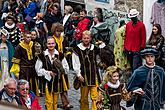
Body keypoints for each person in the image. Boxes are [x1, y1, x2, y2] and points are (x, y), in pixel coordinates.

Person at [35, 37, 71, 110]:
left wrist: (60, 69)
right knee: (49, 101)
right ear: (46, 44)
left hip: (57, 81)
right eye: (49, 43)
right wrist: (48, 72)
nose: (51, 45)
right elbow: (37, 70)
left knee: (55, 102)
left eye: (52, 43)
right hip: (47, 82)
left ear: (55, 44)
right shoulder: (42, 55)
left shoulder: (60, 55)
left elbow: (67, 69)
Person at [72, 30, 101, 110]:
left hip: (94, 75)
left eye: (88, 38)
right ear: (82, 38)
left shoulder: (94, 48)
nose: (86, 39)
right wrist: (78, 74)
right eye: (84, 38)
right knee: (84, 98)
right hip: (83, 76)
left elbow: (100, 58)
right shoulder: (77, 49)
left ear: (90, 38)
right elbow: (75, 63)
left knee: (95, 97)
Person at [10, 31, 39, 96]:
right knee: (24, 85)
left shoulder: (33, 44)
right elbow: (16, 61)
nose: (29, 39)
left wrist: (38, 51)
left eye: (30, 37)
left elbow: (37, 56)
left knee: (34, 84)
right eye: (27, 37)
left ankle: (33, 98)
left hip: (32, 68)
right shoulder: (19, 47)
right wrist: (17, 72)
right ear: (24, 37)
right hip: (24, 69)